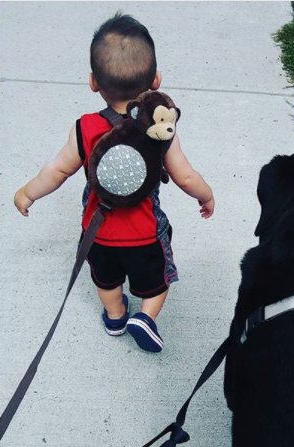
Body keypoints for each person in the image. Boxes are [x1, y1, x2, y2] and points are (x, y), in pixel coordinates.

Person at [13, 13, 215, 353]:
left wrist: (27, 192)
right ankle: (146, 317)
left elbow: (58, 171)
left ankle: (116, 315)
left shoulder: (86, 128)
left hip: (99, 230)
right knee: (156, 282)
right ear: (156, 81)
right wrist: (205, 195)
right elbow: (185, 176)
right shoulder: (160, 128)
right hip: (145, 233)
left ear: (93, 82)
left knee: (105, 281)